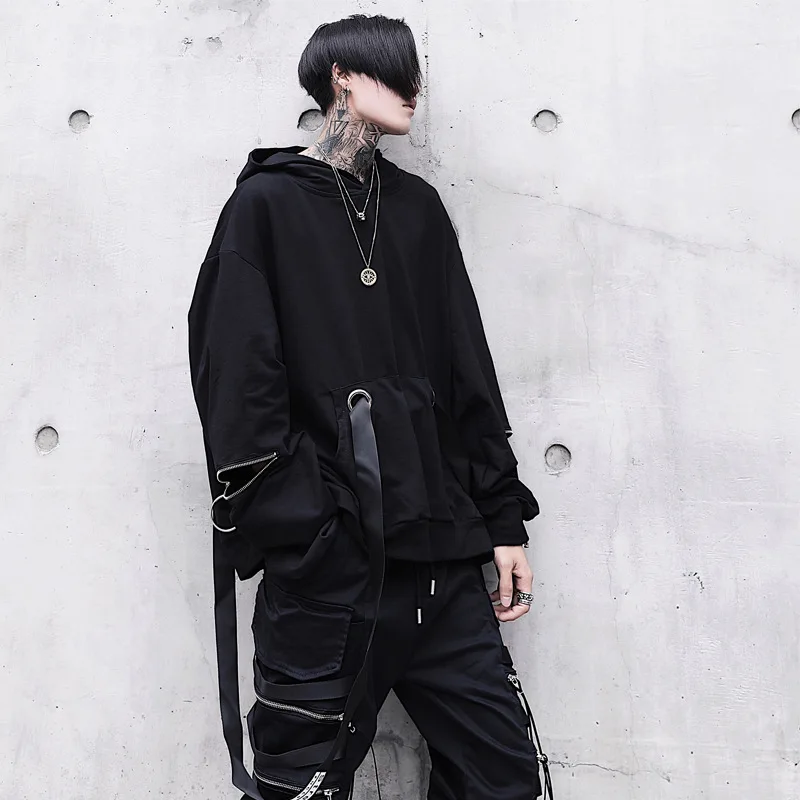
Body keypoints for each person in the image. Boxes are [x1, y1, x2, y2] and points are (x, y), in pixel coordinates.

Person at [188, 13, 552, 800]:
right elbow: (237, 390)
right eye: (395, 70)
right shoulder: (264, 208)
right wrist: (311, 533)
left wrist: (502, 522)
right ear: (342, 78)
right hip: (329, 581)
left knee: (505, 782)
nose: (415, 88)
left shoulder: (418, 210)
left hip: (443, 570)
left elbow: (467, 374)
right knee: (300, 788)